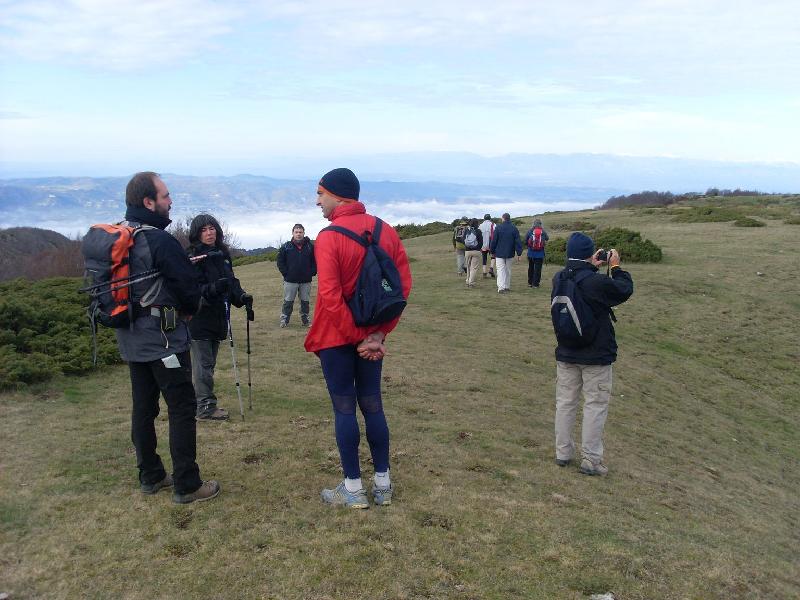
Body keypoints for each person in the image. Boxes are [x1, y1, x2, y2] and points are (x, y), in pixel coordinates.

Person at [305, 168, 412, 509]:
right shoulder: (386, 231)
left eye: (320, 194)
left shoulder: (328, 237)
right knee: (373, 404)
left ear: (338, 196)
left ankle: (353, 489)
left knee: (344, 409)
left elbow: (331, 297)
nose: (317, 200)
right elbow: (401, 288)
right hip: (372, 338)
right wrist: (377, 335)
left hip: (337, 337)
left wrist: (355, 339)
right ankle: (383, 484)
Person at [115, 172, 220, 504]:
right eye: (166, 196)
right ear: (149, 202)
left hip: (131, 338)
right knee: (181, 407)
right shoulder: (158, 240)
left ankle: (151, 475)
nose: (170, 201)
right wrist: (188, 310)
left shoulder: (122, 235)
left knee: (143, 408)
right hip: (163, 340)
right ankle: (187, 484)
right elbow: (189, 291)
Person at [552, 232, 633, 476]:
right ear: (590, 254)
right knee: (595, 405)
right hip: (596, 355)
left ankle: (562, 452)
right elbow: (623, 290)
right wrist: (616, 266)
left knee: (566, 403)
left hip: (567, 351)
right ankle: (591, 459)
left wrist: (589, 265)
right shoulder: (594, 282)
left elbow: (579, 279)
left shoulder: (559, 278)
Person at [187, 214, 252, 421]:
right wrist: (214, 289)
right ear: (197, 234)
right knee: (203, 366)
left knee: (208, 364)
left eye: (212, 228)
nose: (209, 232)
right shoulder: (193, 257)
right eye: (204, 229)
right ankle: (204, 408)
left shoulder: (222, 254)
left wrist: (241, 297)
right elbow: (191, 290)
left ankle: (203, 403)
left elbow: (230, 282)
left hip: (219, 317)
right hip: (199, 318)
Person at [276, 223, 316, 328]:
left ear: (304, 233)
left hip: (305, 280)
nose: (298, 234)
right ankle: (284, 319)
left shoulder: (310, 247)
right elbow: (280, 261)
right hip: (290, 280)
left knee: (305, 301)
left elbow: (315, 261)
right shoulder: (286, 246)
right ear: (292, 233)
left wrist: (312, 272)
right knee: (288, 301)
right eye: (296, 232)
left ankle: (305, 320)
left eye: (300, 232)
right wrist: (286, 273)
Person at [489, 212, 522, 293]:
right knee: (508, 270)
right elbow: (517, 241)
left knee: (500, 270)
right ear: (509, 218)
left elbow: (494, 241)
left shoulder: (498, 228)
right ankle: (507, 286)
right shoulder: (514, 228)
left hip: (499, 253)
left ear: (503, 218)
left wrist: (492, 250)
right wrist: (519, 253)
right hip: (510, 252)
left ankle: (501, 287)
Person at [524, 218, 549, 288]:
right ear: (540, 224)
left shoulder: (530, 231)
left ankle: (530, 283)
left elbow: (525, 241)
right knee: (538, 269)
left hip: (530, 254)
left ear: (533, 224)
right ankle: (536, 284)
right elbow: (547, 238)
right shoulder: (543, 231)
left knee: (531, 268)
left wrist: (529, 245)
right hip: (540, 254)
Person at [463, 218, 483, 288]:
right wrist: (478, 248)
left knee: (468, 267)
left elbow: (463, 240)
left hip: (467, 251)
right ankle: (471, 282)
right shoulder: (478, 231)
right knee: (473, 268)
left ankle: (467, 281)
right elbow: (481, 242)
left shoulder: (466, 230)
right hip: (476, 251)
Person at [479, 213, 495, 278]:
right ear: (490, 218)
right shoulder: (493, 225)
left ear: (484, 218)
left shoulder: (480, 225)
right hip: (491, 243)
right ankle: (491, 268)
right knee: (493, 256)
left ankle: (484, 272)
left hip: (483, 244)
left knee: (484, 258)